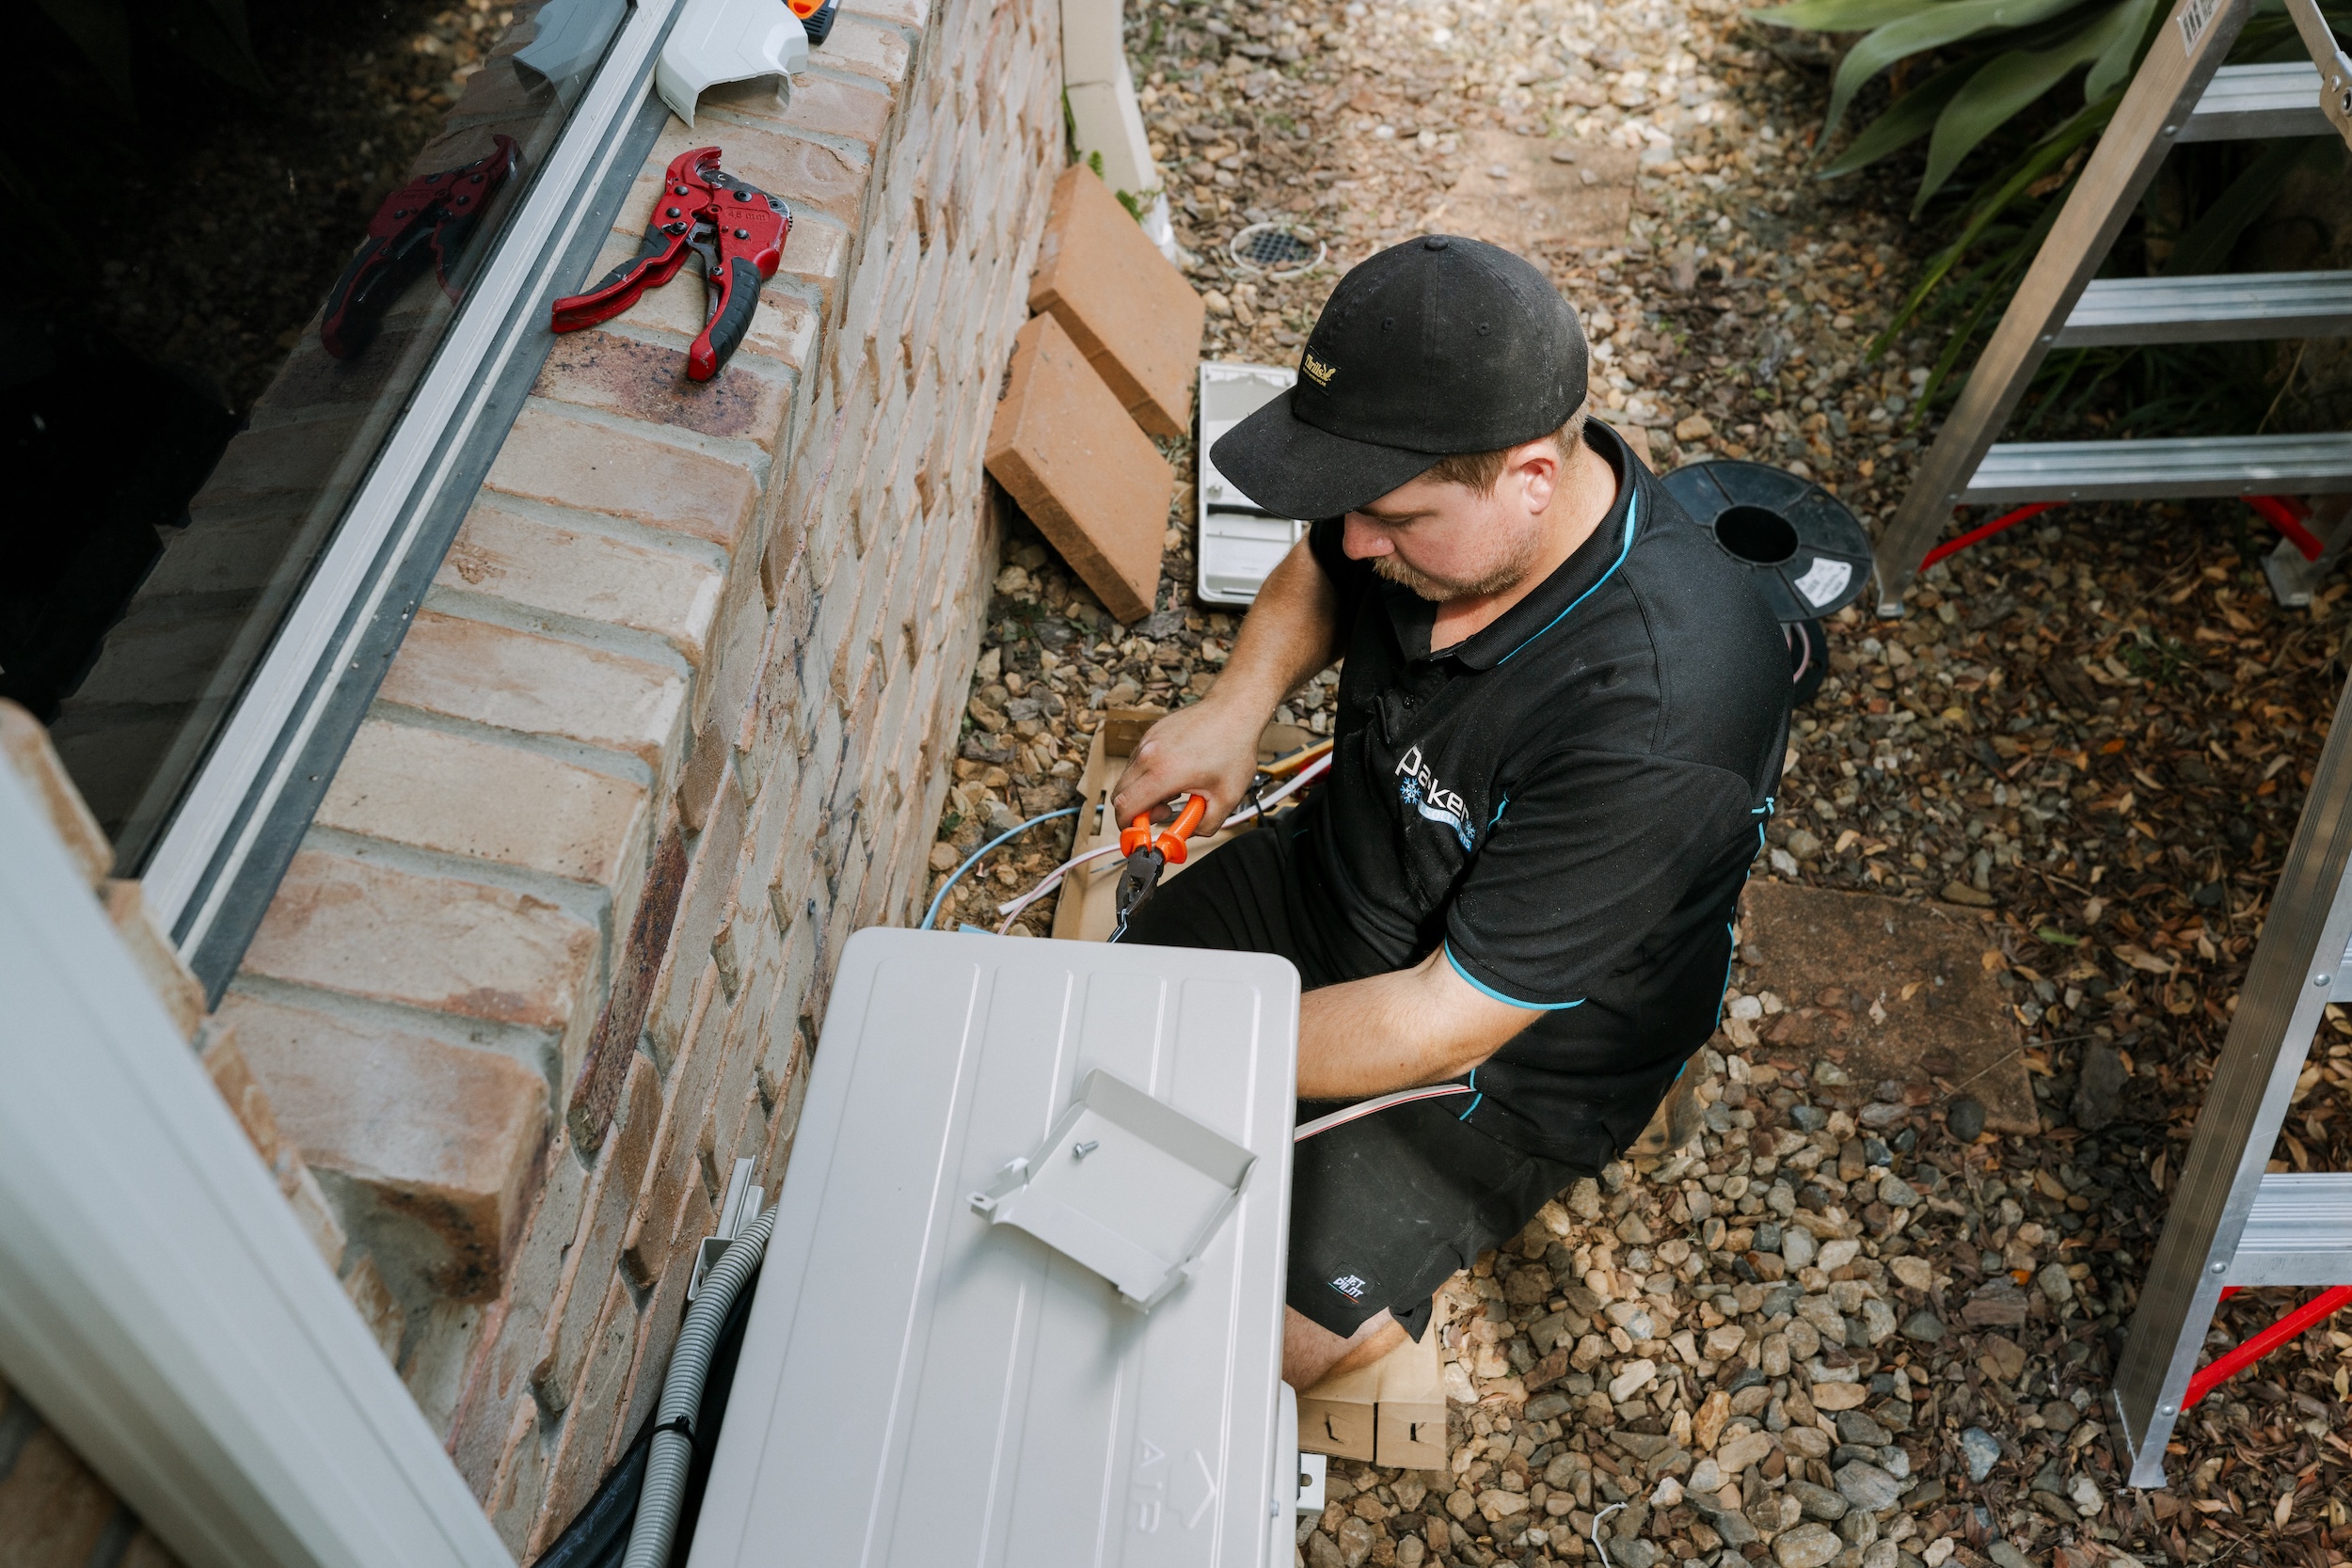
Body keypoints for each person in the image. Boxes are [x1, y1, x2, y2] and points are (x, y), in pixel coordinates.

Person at [1109, 234, 1791, 1391]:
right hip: (1341, 870)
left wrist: (1207, 1049)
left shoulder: (1664, 719)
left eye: (1393, 517)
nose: (1358, 539)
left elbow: (1448, 1017)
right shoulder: (1424, 500)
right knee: (1077, 1060)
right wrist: (1236, 707)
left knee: (1220, 1344)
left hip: (1506, 1052)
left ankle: (1385, 1293)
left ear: (1530, 474)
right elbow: (1325, 566)